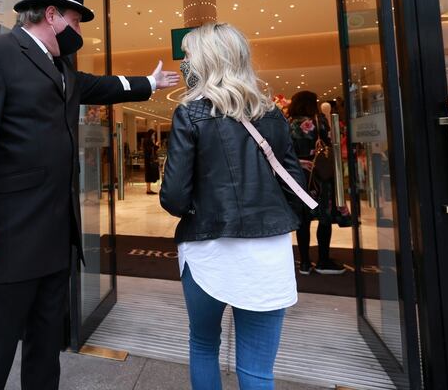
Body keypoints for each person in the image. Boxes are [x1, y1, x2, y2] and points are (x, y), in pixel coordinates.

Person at [0, 0, 180, 390]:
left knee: (45, 351)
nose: (79, 33)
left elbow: (101, 86)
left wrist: (149, 82)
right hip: (10, 239)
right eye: (76, 22)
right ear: (51, 14)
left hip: (56, 242)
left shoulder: (61, 68)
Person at [161, 22, 307, 390]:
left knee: (204, 345)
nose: (185, 63)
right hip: (268, 253)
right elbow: (295, 187)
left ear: (207, 60)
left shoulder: (190, 113)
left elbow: (174, 197)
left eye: (190, 55)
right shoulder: (273, 115)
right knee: (257, 371)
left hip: (208, 250)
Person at [287, 90, 346, 275]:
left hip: (299, 177)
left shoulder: (288, 123)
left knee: (303, 220)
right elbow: (331, 142)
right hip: (320, 175)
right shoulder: (319, 120)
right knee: (324, 218)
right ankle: (323, 260)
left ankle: (304, 263)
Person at [143, 128, 160, 194]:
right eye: (153, 134)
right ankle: (148, 190)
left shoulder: (146, 140)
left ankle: (148, 189)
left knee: (148, 174)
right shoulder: (148, 140)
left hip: (147, 160)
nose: (153, 136)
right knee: (149, 174)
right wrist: (156, 145)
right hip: (150, 160)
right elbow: (151, 150)